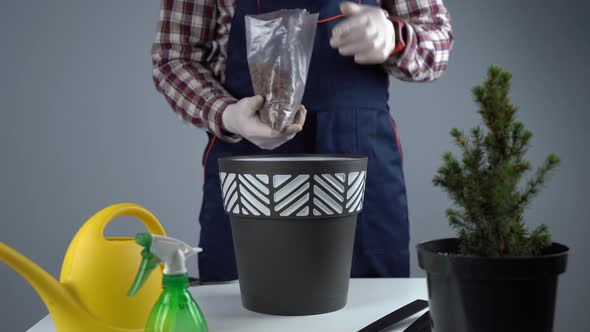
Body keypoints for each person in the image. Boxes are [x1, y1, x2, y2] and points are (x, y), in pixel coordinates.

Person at [151, 0, 453, 281]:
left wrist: (394, 37)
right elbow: (175, 58)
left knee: (373, 310)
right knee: (242, 309)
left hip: (360, 161)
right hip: (250, 160)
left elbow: (435, 37)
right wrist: (227, 115)